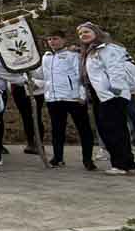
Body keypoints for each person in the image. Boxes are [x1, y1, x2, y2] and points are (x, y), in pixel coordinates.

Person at [77, 22, 135, 176]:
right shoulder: (90, 51)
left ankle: (120, 164)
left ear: (96, 32)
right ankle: (128, 163)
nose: (83, 35)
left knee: (113, 130)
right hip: (101, 96)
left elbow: (115, 69)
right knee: (114, 130)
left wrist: (115, 90)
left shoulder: (107, 49)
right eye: (81, 33)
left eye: (86, 32)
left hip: (112, 95)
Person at [39, 30, 95, 170]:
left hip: (73, 98)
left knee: (84, 130)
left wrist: (82, 95)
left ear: (63, 40)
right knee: (57, 130)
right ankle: (58, 158)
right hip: (54, 99)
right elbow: (44, 77)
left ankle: (88, 160)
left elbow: (80, 76)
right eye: (50, 39)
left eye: (55, 38)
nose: (52, 41)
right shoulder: (46, 57)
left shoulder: (73, 55)